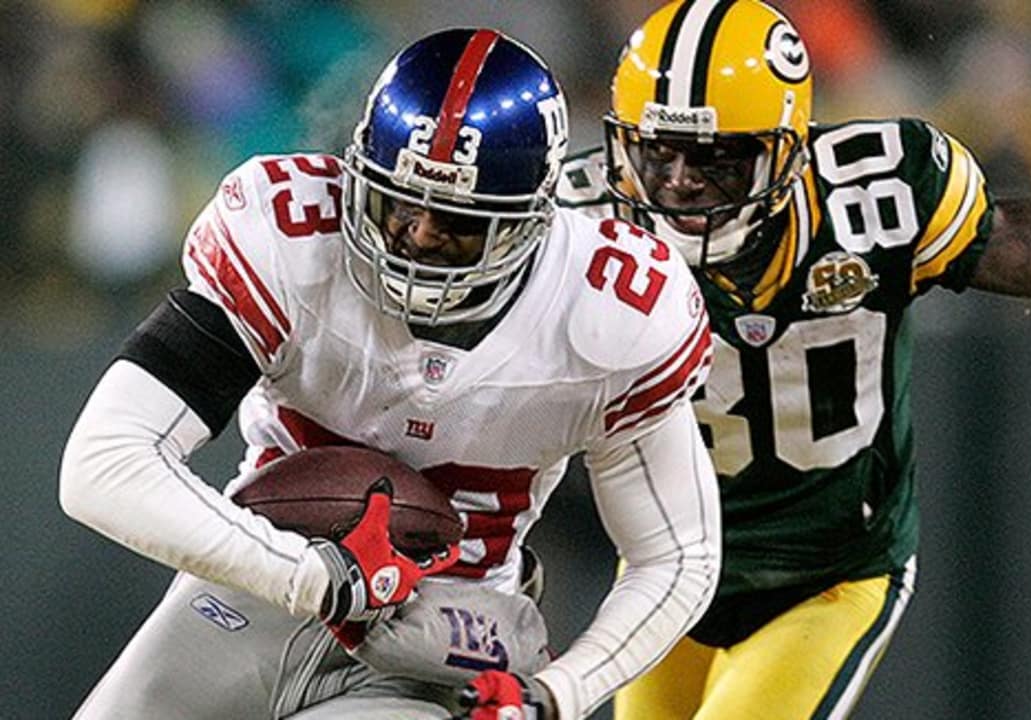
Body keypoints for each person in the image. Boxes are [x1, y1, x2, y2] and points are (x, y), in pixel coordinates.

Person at [554, 1, 1031, 718]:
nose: (682, 184)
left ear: (787, 150)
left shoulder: (874, 201)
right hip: (670, 564)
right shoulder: (578, 221)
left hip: (826, 575)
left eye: (720, 160)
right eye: (659, 153)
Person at [59, 28, 720, 720]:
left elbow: (679, 556)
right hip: (251, 586)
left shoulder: (611, 311)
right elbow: (103, 463)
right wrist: (308, 576)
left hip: (448, 637)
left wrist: (560, 693)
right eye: (398, 203)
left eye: (458, 221)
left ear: (532, 222)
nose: (421, 235)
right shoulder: (287, 240)